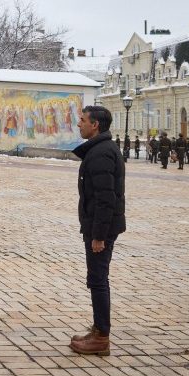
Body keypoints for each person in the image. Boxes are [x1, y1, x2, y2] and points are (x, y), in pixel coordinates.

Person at [69, 105, 126, 356]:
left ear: (96, 125)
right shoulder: (99, 149)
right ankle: (97, 329)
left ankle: (102, 337)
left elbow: (106, 198)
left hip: (100, 229)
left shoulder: (102, 153)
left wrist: (99, 236)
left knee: (98, 280)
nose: (78, 124)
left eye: (82, 120)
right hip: (96, 225)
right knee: (97, 279)